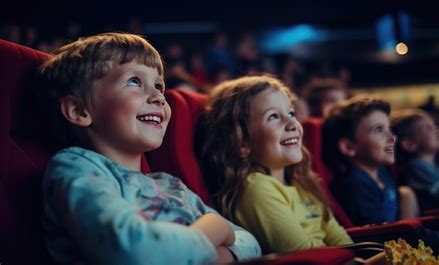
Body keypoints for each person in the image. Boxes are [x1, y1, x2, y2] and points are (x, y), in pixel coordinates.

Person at [39, 33, 261, 265]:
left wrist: (207, 254)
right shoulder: (75, 166)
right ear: (79, 110)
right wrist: (214, 227)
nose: (158, 97)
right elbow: (135, 251)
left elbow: (250, 242)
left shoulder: (169, 185)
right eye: (134, 81)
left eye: (159, 86)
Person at [198, 75, 354, 255]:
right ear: (242, 142)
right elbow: (306, 257)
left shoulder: (300, 181)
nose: (292, 124)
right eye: (273, 116)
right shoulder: (257, 187)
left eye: (291, 113)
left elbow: (343, 242)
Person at [322, 98, 419, 226]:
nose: (392, 138)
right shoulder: (354, 185)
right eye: (378, 130)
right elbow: (379, 235)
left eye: (389, 128)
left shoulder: (382, 173)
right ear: (349, 147)